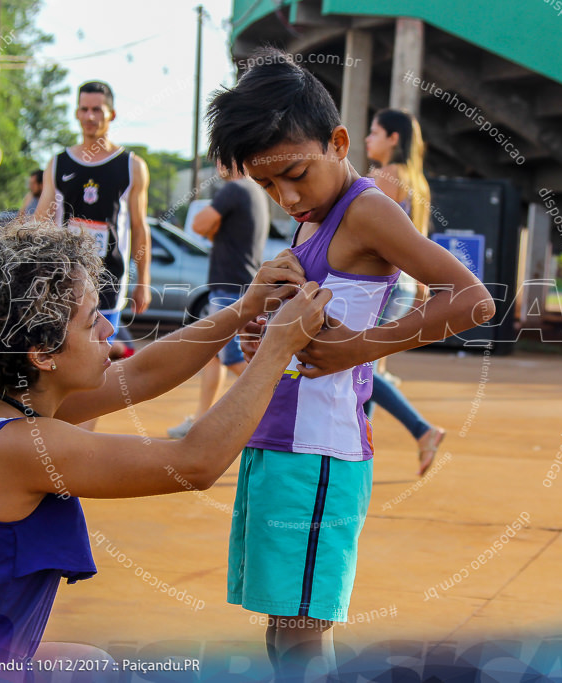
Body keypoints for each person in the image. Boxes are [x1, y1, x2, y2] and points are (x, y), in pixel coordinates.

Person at [0, 221, 328, 674]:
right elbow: (195, 463)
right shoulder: (22, 445)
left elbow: (142, 374)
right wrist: (277, 349)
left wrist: (246, 307)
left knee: (94, 668)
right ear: (42, 354)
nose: (108, 328)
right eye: (89, 322)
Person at [207, 48, 496, 680]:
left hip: (320, 452)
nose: (286, 196)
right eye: (266, 185)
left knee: (305, 635)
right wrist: (266, 334)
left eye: (296, 174)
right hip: (277, 444)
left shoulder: (364, 208)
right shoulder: (308, 221)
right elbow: (307, 326)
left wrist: (363, 347)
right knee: (283, 633)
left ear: (339, 142)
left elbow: (473, 299)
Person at [35, 80, 152, 366]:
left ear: (111, 114)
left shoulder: (131, 167)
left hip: (108, 278)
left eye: (97, 110)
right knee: (60, 358)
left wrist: (144, 281)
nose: (90, 117)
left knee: (96, 362)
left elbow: (140, 226)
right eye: (84, 109)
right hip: (64, 276)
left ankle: (89, 412)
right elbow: (40, 221)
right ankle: (59, 413)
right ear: (76, 113)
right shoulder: (59, 164)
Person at [364, 107, 446, 475]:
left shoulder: (385, 176)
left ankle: (421, 429)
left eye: (375, 132)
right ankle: (357, 445)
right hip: (405, 282)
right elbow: (420, 240)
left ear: (393, 139)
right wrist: (421, 287)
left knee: (356, 363)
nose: (368, 138)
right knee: (365, 366)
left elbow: (371, 233)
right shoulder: (416, 178)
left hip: (384, 281)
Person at [168, 163, 269, 438]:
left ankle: (276, 406)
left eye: (219, 159)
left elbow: (199, 225)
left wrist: (211, 223)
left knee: (233, 355)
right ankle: (200, 422)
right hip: (238, 285)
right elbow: (209, 229)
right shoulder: (254, 190)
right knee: (213, 355)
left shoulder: (234, 189)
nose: (217, 166)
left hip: (229, 287)